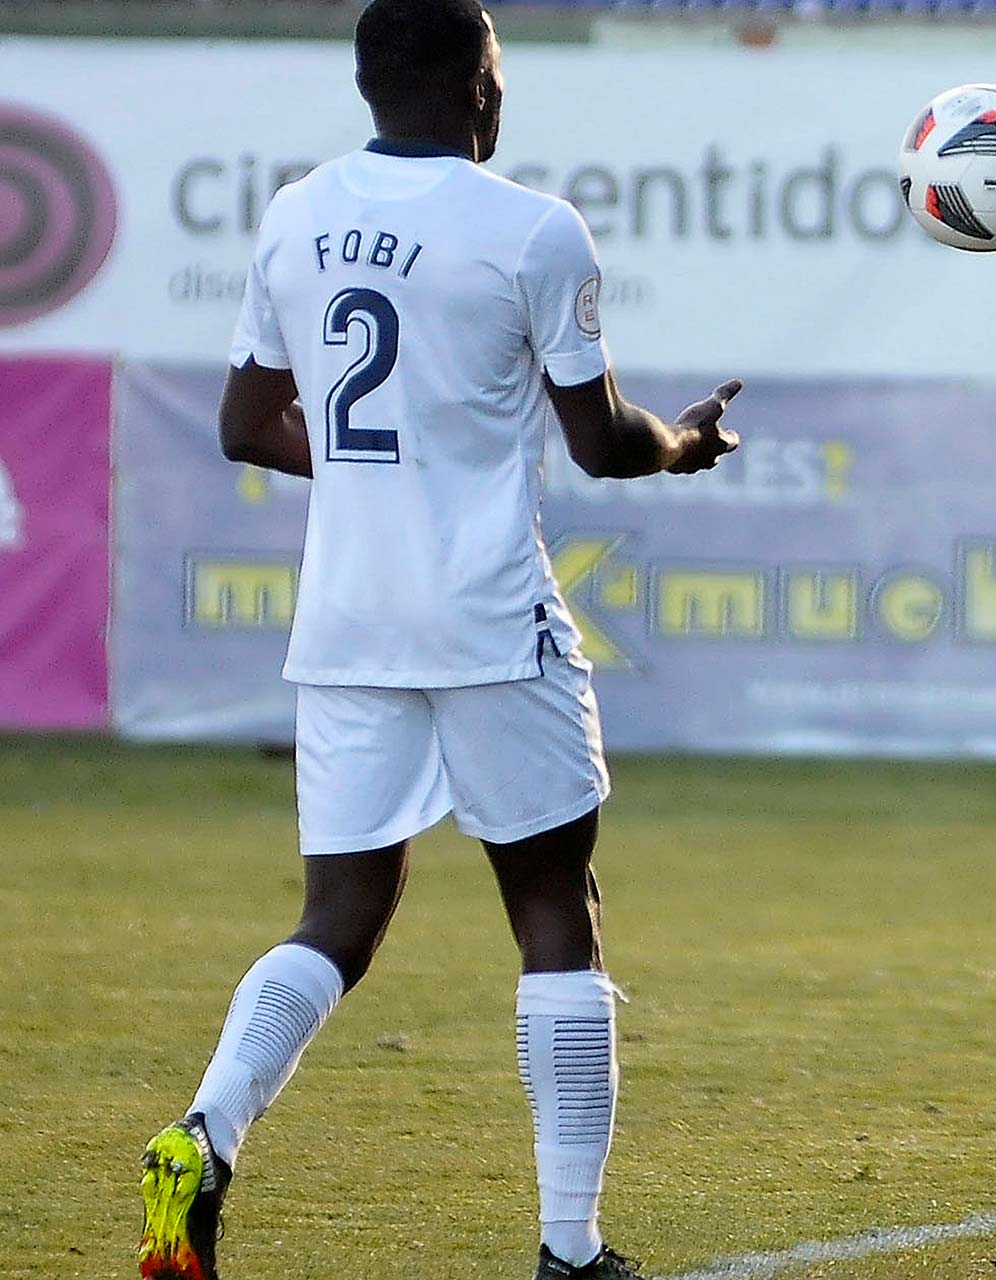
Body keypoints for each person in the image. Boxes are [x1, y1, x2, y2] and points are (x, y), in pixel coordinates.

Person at [135, 2, 742, 1277]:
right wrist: (687, 444)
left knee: (337, 916)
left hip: (348, 618)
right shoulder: (531, 227)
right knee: (554, 911)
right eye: (500, 73)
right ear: (479, 88)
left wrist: (372, 472)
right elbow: (601, 439)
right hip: (485, 616)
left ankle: (207, 1127)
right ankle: (571, 1248)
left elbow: (247, 423)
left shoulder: (296, 213)